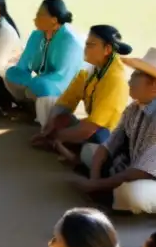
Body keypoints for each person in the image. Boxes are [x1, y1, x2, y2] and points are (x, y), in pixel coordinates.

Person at [76, 48, 156, 214]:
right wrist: (94, 179)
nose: (130, 81)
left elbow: (142, 172)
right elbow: (108, 145)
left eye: (136, 76)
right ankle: (108, 191)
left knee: (132, 194)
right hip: (141, 170)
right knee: (90, 152)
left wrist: (97, 185)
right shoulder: (135, 107)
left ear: (155, 85)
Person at [32, 25, 131, 163]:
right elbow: (66, 102)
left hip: (107, 136)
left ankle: (72, 152)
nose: (85, 49)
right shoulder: (90, 70)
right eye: (86, 44)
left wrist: (56, 136)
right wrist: (49, 127)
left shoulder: (115, 80)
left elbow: (91, 128)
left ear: (107, 49)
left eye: (91, 45)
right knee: (61, 118)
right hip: (91, 128)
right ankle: (65, 146)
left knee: (90, 152)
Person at [3, 0, 83, 125]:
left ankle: (49, 125)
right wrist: (22, 77)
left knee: (41, 85)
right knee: (12, 74)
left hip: (64, 88)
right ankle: (30, 110)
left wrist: (35, 83)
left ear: (54, 20)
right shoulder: (37, 35)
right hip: (42, 82)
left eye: (40, 15)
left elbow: (64, 78)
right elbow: (23, 65)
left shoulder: (70, 42)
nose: (35, 18)